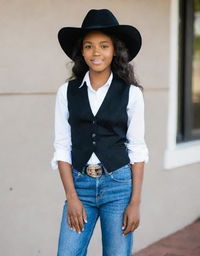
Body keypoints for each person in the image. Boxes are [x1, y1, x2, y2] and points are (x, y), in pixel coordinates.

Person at [51, 9, 149, 256]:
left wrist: (135, 203)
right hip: (80, 185)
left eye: (104, 46)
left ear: (114, 50)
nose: (96, 53)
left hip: (118, 185)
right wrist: (71, 197)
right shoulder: (67, 92)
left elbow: (137, 148)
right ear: (81, 52)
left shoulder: (131, 93)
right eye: (89, 46)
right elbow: (62, 146)